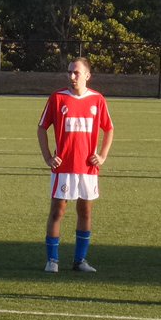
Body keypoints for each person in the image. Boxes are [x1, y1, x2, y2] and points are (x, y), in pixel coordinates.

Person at [36, 57, 114, 274]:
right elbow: (42, 128)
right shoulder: (58, 98)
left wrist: (103, 155)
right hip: (63, 168)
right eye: (69, 72)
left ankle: (80, 261)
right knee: (57, 212)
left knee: (85, 212)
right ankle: (52, 260)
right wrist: (48, 157)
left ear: (87, 76)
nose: (71, 76)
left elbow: (109, 128)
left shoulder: (97, 100)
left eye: (76, 73)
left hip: (88, 168)